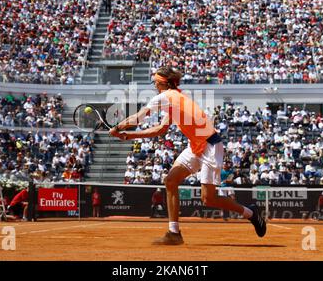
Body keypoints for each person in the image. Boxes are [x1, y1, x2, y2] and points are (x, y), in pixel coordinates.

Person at [109, 66, 266, 245]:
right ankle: (174, 233)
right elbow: (160, 129)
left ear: (163, 83)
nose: (154, 85)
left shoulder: (166, 97)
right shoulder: (174, 98)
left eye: (155, 82)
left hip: (210, 146)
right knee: (170, 181)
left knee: (209, 199)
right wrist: (129, 135)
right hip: (196, 146)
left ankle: (251, 212)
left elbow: (139, 117)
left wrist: (118, 127)